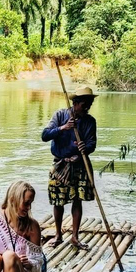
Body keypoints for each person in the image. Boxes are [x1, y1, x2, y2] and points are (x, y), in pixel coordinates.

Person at [41, 85, 98, 250]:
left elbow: (92, 144)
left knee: (77, 199)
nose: (87, 108)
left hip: (79, 164)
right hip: (60, 164)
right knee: (58, 201)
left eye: (89, 104)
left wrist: (83, 149)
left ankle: (75, 237)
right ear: (76, 103)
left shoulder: (89, 121)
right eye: (84, 105)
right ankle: (58, 235)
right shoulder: (60, 115)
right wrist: (63, 128)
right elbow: (45, 136)